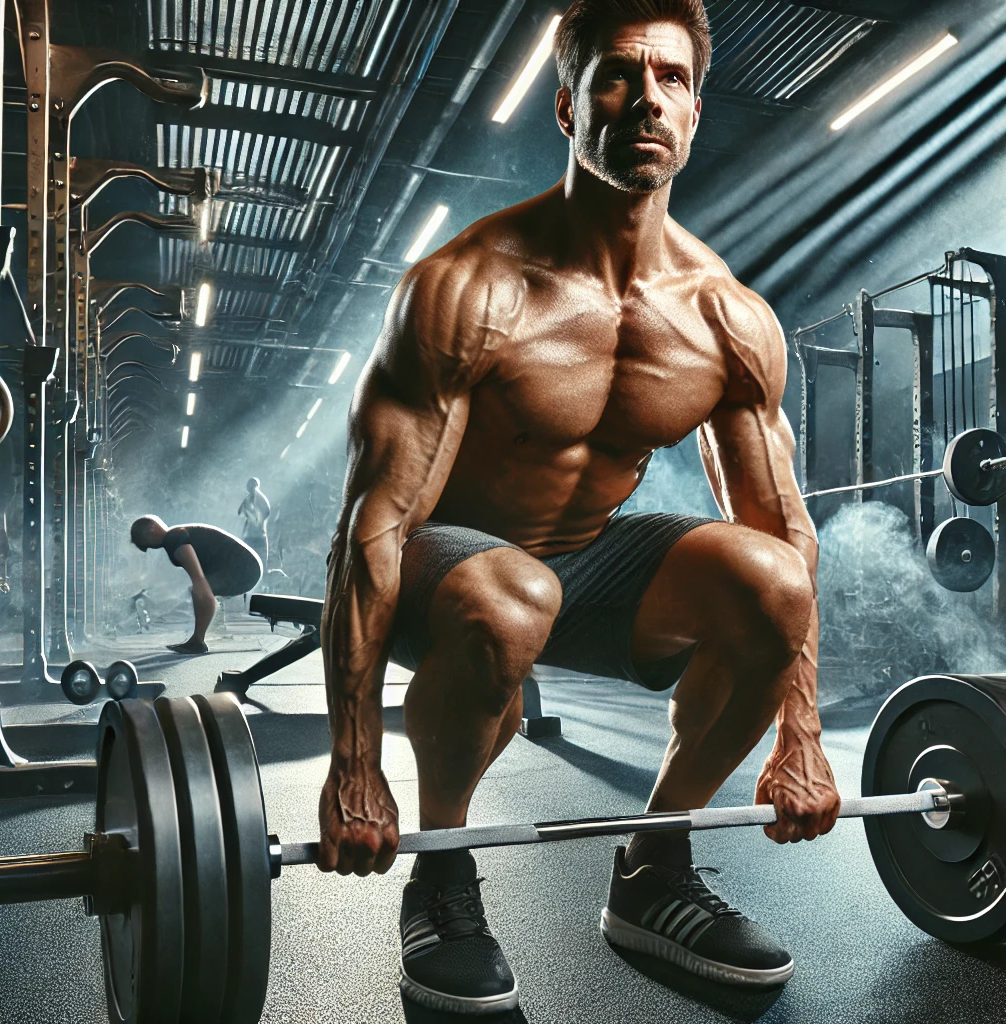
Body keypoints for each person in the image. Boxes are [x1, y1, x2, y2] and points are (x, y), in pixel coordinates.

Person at [319, 0, 840, 1013]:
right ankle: (443, 875)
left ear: (694, 113)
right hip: (449, 567)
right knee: (509, 594)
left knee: (772, 580)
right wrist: (353, 765)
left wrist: (802, 734)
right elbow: (373, 526)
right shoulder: (467, 285)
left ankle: (655, 865)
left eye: (672, 79)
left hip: (587, 563)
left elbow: (782, 525)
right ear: (565, 105)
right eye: (616, 74)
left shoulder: (726, 317)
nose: (645, 97)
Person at [130, 515, 262, 653]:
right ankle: (213, 630)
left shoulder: (173, 538)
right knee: (201, 589)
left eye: (141, 540)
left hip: (244, 569)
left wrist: (201, 589)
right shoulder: (175, 536)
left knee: (199, 590)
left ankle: (197, 641)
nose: (144, 548)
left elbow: (199, 579)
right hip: (246, 567)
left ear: (151, 530)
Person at [238, 477, 271, 567]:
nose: (249, 488)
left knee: (261, 565)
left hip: (259, 537)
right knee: (246, 564)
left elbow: (266, 512)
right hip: (249, 537)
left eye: (251, 485)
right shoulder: (248, 500)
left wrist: (255, 491)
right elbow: (240, 513)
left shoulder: (260, 498)